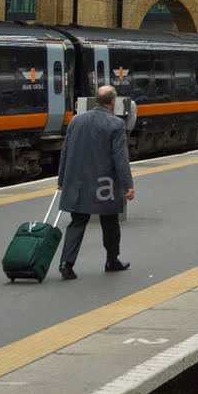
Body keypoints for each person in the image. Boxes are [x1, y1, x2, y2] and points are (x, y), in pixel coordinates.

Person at [57, 85, 134, 279]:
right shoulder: (116, 124)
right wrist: (128, 185)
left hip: (78, 181)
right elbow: (120, 159)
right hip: (104, 182)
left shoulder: (76, 121)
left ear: (96, 100)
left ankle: (66, 262)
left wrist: (61, 180)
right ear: (113, 101)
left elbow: (65, 152)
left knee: (77, 222)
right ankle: (112, 260)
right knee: (109, 221)